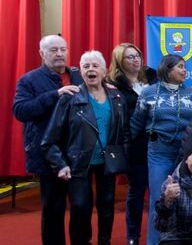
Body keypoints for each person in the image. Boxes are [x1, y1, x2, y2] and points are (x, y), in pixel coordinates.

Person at [41, 50, 129, 245]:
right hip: (78, 162)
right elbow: (49, 139)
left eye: (95, 66)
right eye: (86, 66)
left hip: (108, 161)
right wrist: (60, 164)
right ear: (80, 72)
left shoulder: (117, 97)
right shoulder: (69, 98)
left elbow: (124, 131)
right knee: (81, 206)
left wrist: (124, 155)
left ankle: (104, 241)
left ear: (104, 71)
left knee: (106, 205)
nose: (91, 69)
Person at [12, 34, 83, 245]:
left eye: (63, 49)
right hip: (48, 154)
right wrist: (55, 94)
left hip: (79, 152)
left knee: (81, 207)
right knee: (53, 209)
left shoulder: (78, 75)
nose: (60, 54)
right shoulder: (29, 80)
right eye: (53, 50)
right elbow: (20, 111)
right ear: (42, 54)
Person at [131, 54, 192, 245]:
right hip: (159, 152)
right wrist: (123, 150)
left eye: (185, 67)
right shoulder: (148, 93)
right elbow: (135, 124)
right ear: (168, 69)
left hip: (186, 153)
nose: (184, 70)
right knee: (160, 198)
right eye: (180, 67)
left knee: (187, 199)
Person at [107, 42, 157, 245]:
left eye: (137, 55)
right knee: (136, 191)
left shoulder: (152, 79)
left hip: (157, 142)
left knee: (159, 191)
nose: (136, 59)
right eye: (130, 57)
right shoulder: (113, 86)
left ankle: (160, 232)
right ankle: (133, 236)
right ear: (120, 61)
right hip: (135, 145)